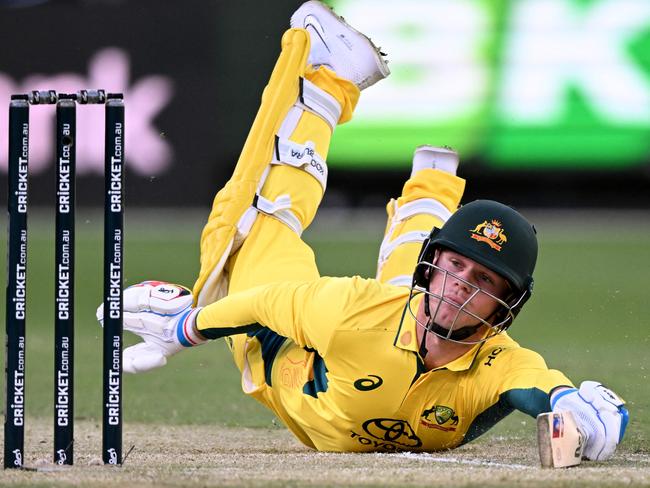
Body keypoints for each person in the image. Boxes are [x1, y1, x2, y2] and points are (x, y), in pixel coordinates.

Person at [98, 1, 628, 459]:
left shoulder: (495, 365)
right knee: (249, 225)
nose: (463, 285)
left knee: (399, 302)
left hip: (377, 330)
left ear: (506, 305)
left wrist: (579, 407)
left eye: (486, 282)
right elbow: (262, 305)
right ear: (434, 262)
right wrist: (187, 327)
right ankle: (328, 75)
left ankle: (431, 188)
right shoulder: (349, 310)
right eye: (457, 266)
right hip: (279, 347)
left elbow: (538, 386)